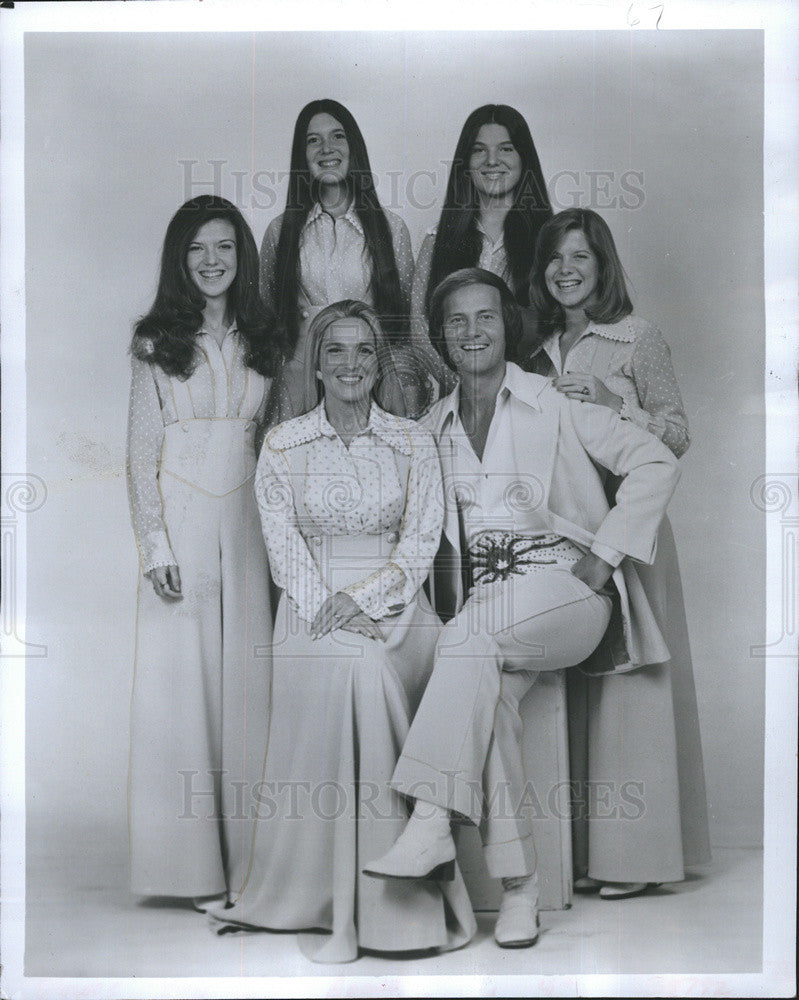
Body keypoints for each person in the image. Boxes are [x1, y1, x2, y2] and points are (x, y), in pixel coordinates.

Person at [363, 269, 681, 948]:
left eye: (485, 317)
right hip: (490, 610)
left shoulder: (552, 403)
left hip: (567, 592)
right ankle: (520, 891)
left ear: (507, 325)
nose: (471, 331)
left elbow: (655, 460)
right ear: (441, 337)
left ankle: (427, 822)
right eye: (456, 321)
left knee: (468, 639)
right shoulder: (431, 428)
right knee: (486, 681)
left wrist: (606, 554)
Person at [205, 300, 475, 963]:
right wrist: (333, 602)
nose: (350, 364)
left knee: (444, 654)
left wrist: (368, 596)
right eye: (336, 351)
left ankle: (408, 883)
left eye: (363, 351)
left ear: (378, 364)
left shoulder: (412, 439)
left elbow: (418, 544)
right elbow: (282, 549)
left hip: (397, 602)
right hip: (311, 605)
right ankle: (374, 916)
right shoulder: (283, 443)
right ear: (317, 365)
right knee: (358, 670)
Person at [522, 207, 711, 898]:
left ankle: (635, 859)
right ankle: (576, 848)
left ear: (601, 266)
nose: (565, 271)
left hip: (630, 533)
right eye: (554, 259)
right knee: (573, 680)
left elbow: (678, 434)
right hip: (569, 530)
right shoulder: (536, 347)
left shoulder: (635, 338)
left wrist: (612, 402)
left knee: (629, 691)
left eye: (580, 258)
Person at [126, 196, 284, 904]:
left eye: (224, 247)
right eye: (197, 249)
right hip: (183, 520)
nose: (212, 261)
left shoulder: (266, 337)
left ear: (241, 257)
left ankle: (250, 861)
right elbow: (139, 455)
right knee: (183, 689)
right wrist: (153, 543)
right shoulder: (156, 343)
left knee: (248, 687)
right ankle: (187, 869)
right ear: (179, 260)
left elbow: (275, 440)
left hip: (249, 517)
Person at [260, 99, 428, 421]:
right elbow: (266, 321)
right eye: (313, 140)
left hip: (370, 383)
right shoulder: (280, 232)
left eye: (338, 136)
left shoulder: (391, 229)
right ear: (301, 155)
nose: (326, 149)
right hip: (302, 387)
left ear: (354, 147)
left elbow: (403, 324)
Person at [410, 104, 553, 390]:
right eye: (479, 150)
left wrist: (514, 387)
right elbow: (418, 328)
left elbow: (559, 326)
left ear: (524, 158)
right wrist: (463, 387)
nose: (492, 160)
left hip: (530, 394)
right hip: (455, 394)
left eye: (506, 149)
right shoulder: (436, 241)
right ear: (465, 163)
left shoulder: (550, 239)